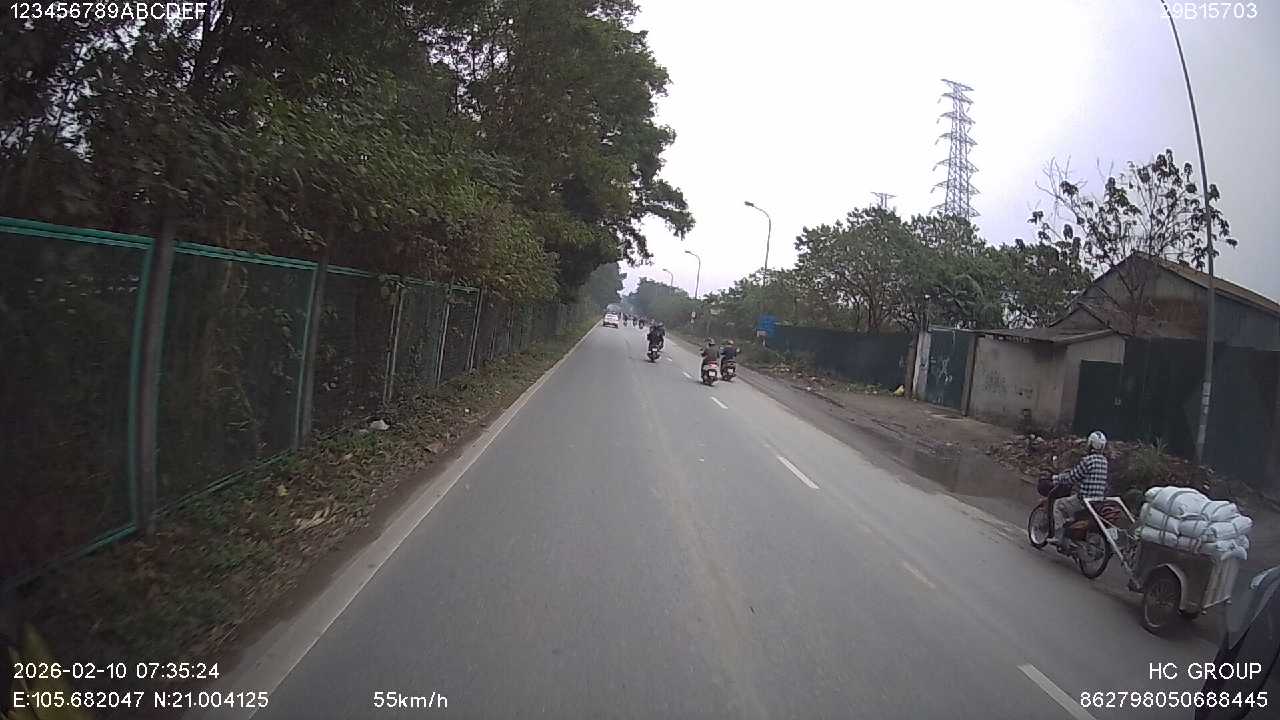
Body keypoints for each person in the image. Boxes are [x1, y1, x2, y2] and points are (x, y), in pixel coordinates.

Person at [1050, 431, 1109, 546]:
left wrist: (1056, 479)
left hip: (1084, 501)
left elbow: (1072, 478)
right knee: (1071, 505)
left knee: (1058, 504)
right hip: (1097, 502)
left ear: (1090, 444)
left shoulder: (1087, 460)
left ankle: (1058, 537)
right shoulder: (1104, 462)